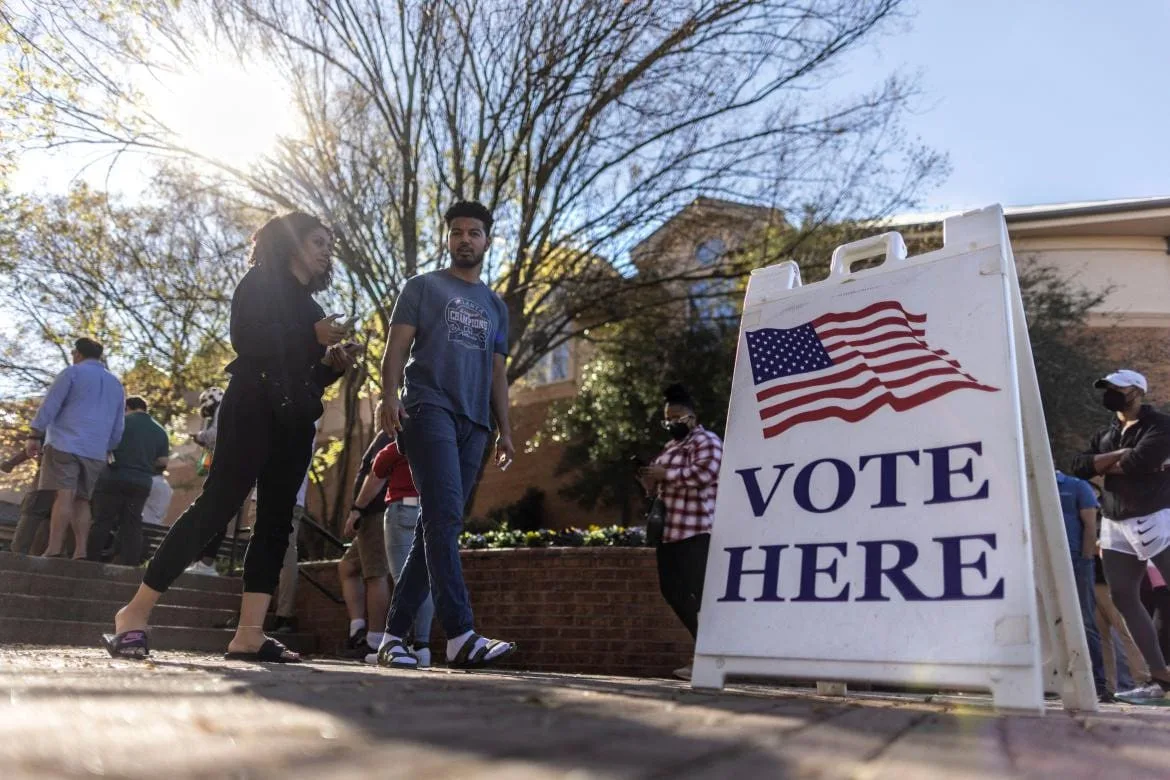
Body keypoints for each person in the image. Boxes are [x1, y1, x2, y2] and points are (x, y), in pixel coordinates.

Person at [103, 211, 361, 662]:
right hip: (251, 408)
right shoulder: (258, 282)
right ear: (294, 242)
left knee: (277, 520)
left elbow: (303, 375)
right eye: (318, 241)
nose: (326, 251)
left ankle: (249, 635)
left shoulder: (314, 309)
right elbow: (247, 340)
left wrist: (330, 366)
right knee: (217, 505)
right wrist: (310, 335)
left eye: (329, 244)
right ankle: (134, 613)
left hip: (295, 420)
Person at [375, 200, 516, 670]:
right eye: (457, 232)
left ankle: (393, 637)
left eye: (474, 233)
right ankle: (459, 634)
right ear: (448, 238)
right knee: (445, 519)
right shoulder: (422, 287)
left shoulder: (496, 305)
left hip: (475, 423)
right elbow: (396, 347)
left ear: (487, 240)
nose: (465, 240)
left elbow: (498, 374)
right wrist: (388, 395)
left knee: (436, 523)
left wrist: (506, 431)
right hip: (427, 406)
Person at [1072, 369, 1170, 702]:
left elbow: (1141, 461)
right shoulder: (1107, 433)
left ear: (1137, 392)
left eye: (1118, 388)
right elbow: (1079, 466)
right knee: (1123, 597)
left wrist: (1105, 465)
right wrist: (1117, 457)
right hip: (1115, 522)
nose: (1110, 392)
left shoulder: (1161, 425)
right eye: (1107, 388)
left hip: (1157, 517)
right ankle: (1160, 677)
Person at [638, 383, 723, 682]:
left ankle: (708, 657)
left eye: (677, 417)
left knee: (701, 596)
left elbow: (706, 474)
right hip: (669, 531)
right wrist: (649, 483)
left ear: (691, 416)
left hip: (697, 529)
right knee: (671, 591)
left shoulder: (707, 441)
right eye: (667, 419)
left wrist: (667, 474)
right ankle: (705, 649)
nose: (672, 423)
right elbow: (661, 488)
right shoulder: (669, 448)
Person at [25, 337, 125, 560]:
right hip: (96, 450)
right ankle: (80, 550)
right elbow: (119, 423)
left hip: (64, 443)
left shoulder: (72, 373)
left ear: (78, 354)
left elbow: (50, 404)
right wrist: (109, 446)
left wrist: (35, 434)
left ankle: (54, 548)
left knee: (64, 496)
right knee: (82, 499)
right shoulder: (116, 384)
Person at [358, 436, 431, 667]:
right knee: (424, 579)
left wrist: (357, 508)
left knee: (403, 579)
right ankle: (422, 646)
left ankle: (398, 643)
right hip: (428, 508)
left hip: (401, 508)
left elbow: (376, 474)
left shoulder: (398, 446)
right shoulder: (439, 441)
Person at [86, 396, 170, 566]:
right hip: (141, 482)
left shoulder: (121, 422)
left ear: (128, 407)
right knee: (132, 524)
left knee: (102, 520)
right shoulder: (160, 431)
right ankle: (129, 565)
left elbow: (104, 446)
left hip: (113, 477)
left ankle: (90, 561)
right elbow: (163, 461)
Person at [337, 431, 393, 658]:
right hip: (372, 515)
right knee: (348, 567)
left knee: (375, 574)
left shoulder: (390, 433)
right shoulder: (384, 435)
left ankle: (374, 640)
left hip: (377, 512)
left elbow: (375, 475)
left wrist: (357, 509)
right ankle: (358, 629)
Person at [1055, 469, 1110, 701]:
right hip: (1044, 562)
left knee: (1085, 621)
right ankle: (1056, 681)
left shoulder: (1077, 486)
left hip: (1076, 562)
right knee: (1051, 621)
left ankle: (1097, 684)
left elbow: (1090, 525)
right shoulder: (1029, 488)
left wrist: (1085, 559)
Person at [187, 387, 226, 576]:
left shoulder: (222, 407)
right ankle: (205, 562)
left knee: (212, 513)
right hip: (233, 467)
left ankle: (206, 563)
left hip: (225, 467)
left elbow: (215, 435)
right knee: (214, 512)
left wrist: (199, 437)